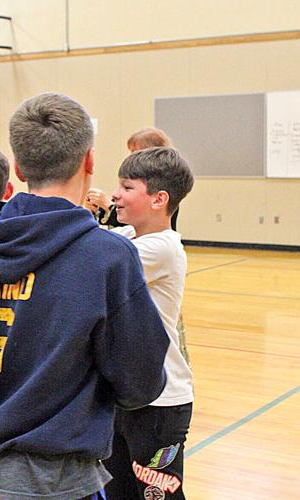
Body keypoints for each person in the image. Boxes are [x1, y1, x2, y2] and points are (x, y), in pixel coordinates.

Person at [0, 93, 170, 500]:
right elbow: (140, 382)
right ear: (89, 161)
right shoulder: (107, 256)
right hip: (61, 478)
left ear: (18, 167)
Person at [103, 147, 194, 500]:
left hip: (160, 403)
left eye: (127, 188)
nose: (115, 195)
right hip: (126, 394)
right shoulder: (128, 238)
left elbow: (92, 258)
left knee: (157, 494)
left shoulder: (162, 248)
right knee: (117, 491)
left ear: (159, 199)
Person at [85, 126, 174, 228]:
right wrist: (97, 208)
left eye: (134, 152)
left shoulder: (162, 182)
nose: (130, 157)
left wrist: (106, 205)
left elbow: (139, 218)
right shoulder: (137, 177)